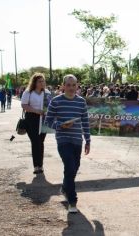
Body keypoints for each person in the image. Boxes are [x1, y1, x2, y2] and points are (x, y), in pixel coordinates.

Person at [45, 74, 91, 213]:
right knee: (70, 166)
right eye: (68, 85)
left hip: (77, 140)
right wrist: (60, 125)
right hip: (63, 140)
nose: (71, 88)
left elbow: (85, 122)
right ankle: (72, 201)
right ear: (63, 86)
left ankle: (65, 188)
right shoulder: (56, 101)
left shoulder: (81, 101)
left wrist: (88, 140)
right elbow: (48, 121)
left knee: (74, 168)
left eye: (74, 85)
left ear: (77, 86)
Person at [21, 73, 47, 174]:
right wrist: (36, 111)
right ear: (35, 82)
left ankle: (40, 165)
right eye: (40, 81)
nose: (42, 83)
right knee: (35, 141)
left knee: (41, 142)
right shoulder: (28, 92)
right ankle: (36, 166)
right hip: (31, 119)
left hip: (43, 119)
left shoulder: (47, 92)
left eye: (43, 81)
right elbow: (24, 105)